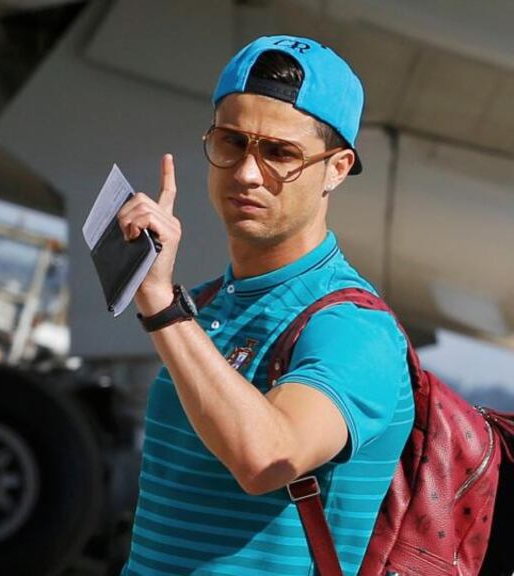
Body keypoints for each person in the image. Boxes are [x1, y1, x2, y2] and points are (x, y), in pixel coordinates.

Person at [117, 35, 414, 575]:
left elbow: (265, 460)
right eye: (232, 142)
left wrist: (161, 304)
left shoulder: (354, 326)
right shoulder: (205, 304)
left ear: (338, 168)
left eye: (280, 153)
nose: (248, 173)